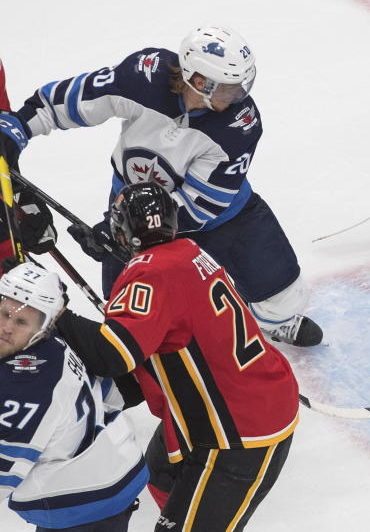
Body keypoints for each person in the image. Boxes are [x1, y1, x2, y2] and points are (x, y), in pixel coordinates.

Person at [0, 26, 322, 346]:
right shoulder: (143, 78)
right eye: (229, 89)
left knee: (281, 293)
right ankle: (151, 344)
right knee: (127, 308)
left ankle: (277, 321)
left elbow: (201, 206)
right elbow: (76, 99)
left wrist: (120, 232)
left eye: (241, 87)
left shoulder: (238, 125)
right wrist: (18, 126)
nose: (239, 96)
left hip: (224, 220)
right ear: (199, 82)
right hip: (130, 206)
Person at [55, 181, 299, 531]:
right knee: (159, 477)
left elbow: (112, 355)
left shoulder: (151, 273)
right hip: (229, 407)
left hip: (239, 434)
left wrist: (57, 313)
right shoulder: (188, 250)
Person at [0, 261, 146, 531]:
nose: (7, 327)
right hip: (108, 469)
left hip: (84, 500)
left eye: (20, 321)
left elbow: (4, 471)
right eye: (5, 313)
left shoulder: (25, 386)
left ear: (43, 327)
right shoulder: (51, 342)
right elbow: (111, 395)